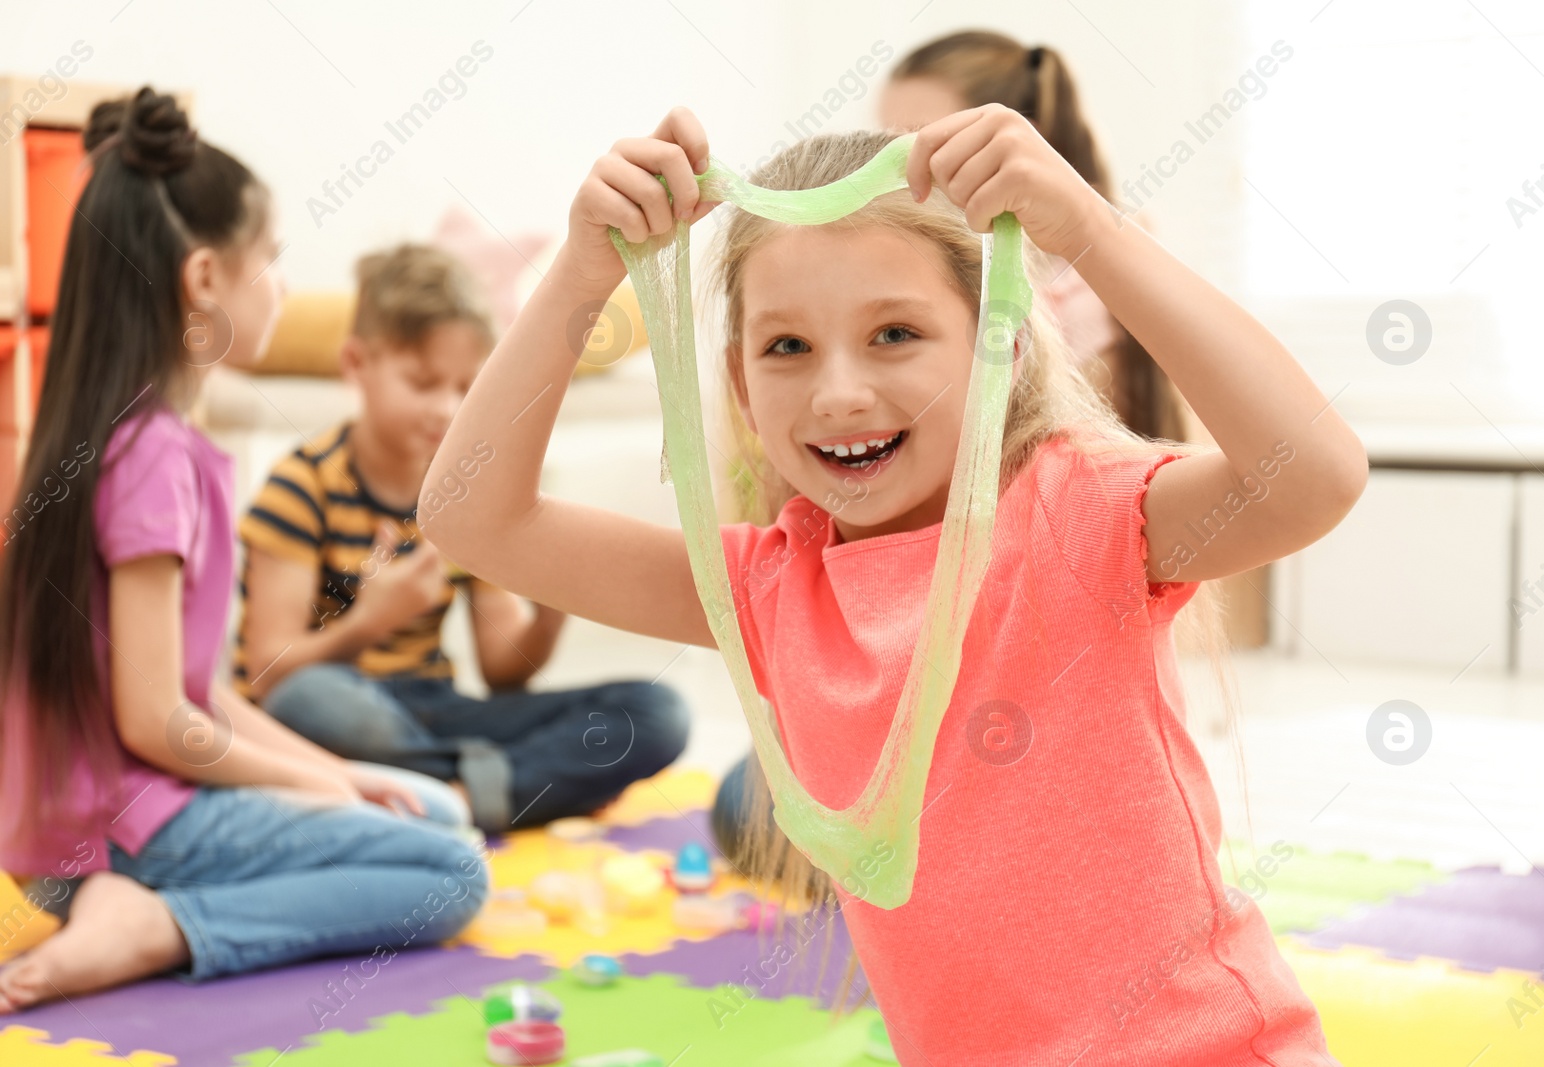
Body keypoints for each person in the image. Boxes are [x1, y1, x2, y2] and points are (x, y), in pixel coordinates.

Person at [419, 105, 1368, 1063]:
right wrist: (583, 275)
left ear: (1001, 347)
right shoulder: (768, 588)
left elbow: (1313, 474)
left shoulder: (1076, 514)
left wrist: (1086, 229)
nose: (838, 392)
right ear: (743, 391)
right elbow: (470, 517)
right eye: (787, 347)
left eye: (896, 334)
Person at [0, 89, 487, 1013]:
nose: (283, 288)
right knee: (451, 871)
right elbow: (156, 723)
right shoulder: (154, 462)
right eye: (270, 260)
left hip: (75, 838)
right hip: (123, 832)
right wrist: (320, 787)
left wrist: (335, 775)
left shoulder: (116, 439)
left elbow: (190, 690)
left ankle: (143, 906)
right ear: (204, 279)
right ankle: (160, 925)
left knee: (433, 808)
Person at [234, 243, 690, 833]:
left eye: (464, 387)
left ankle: (448, 797)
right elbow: (269, 674)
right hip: (342, 706)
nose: (446, 409)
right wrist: (371, 621)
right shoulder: (302, 486)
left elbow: (504, 671)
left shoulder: (468, 496)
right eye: (422, 383)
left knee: (656, 714)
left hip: (440, 713)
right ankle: (506, 786)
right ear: (355, 364)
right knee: (307, 701)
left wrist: (554, 607)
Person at [880, 30, 1190, 444]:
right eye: (888, 144)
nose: (905, 169)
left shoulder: (1085, 292)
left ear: (1022, 142)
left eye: (926, 141)